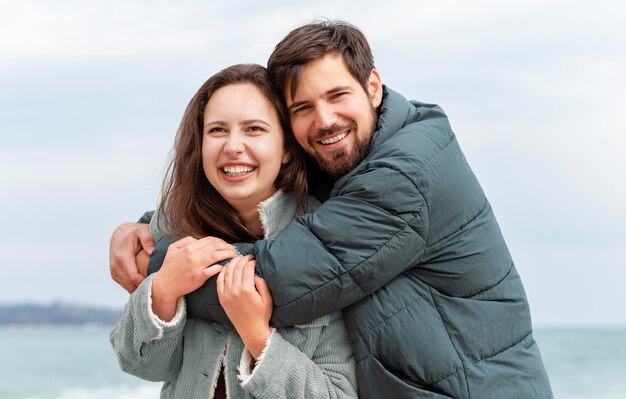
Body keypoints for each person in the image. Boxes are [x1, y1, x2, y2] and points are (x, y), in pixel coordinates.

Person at [110, 21, 553, 398]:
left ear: (373, 87)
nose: (324, 120)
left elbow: (284, 278)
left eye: (338, 95)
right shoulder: (342, 168)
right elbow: (142, 362)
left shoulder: (404, 174)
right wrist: (147, 229)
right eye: (302, 107)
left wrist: (160, 268)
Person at [110, 64, 358, 399]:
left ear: (286, 148)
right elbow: (141, 365)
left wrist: (258, 336)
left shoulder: (325, 239)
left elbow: (338, 393)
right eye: (217, 131)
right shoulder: (173, 227)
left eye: (254, 129)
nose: (233, 146)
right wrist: (164, 291)